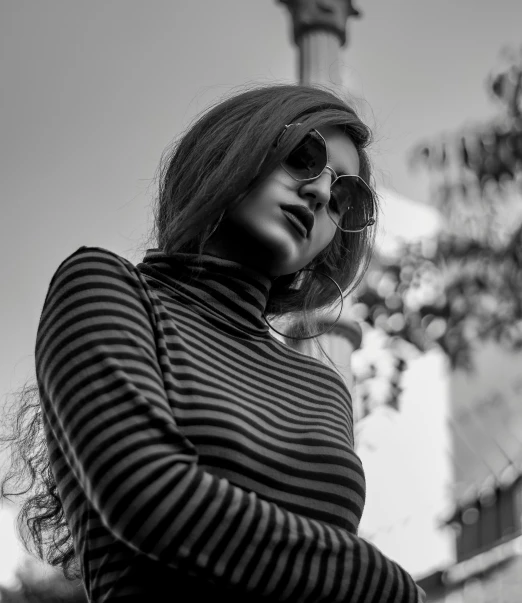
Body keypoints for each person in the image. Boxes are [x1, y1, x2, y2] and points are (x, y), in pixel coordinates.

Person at [1, 84, 426, 602]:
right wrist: (383, 583)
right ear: (235, 146)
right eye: (304, 156)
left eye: (345, 198)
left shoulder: (325, 390)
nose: (318, 193)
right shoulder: (106, 289)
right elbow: (149, 494)